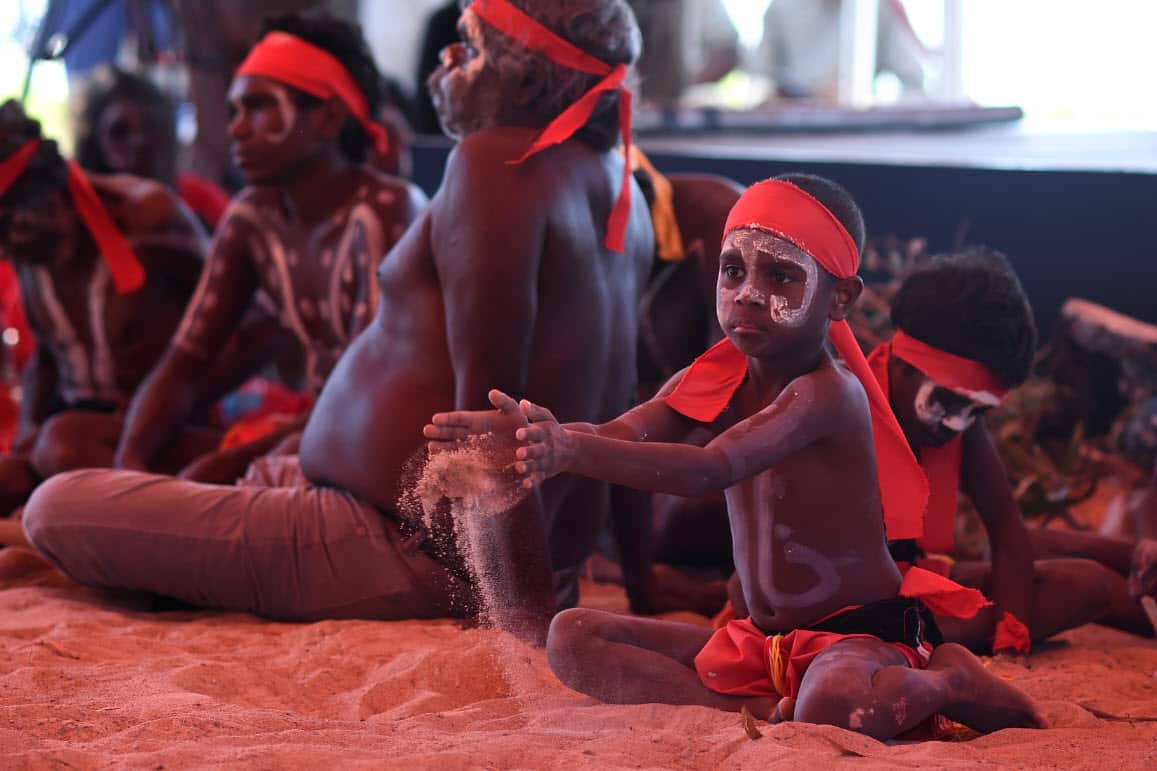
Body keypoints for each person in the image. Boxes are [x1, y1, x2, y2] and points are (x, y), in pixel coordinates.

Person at [22, 0, 652, 638]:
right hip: (449, 540)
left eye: (469, 47)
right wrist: (641, 591)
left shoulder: (493, 163)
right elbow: (629, 415)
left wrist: (521, 621)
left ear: (525, 80)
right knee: (86, 462)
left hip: (400, 541)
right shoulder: (620, 185)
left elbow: (487, 425)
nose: (447, 62)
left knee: (56, 509)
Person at [427, 174, 1047, 738]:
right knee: (572, 636)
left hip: (855, 636)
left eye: (779, 277)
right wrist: (538, 434)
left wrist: (567, 450)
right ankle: (758, 711)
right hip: (759, 643)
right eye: (733, 271)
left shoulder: (827, 393)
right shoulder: (718, 375)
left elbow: (712, 466)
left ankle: (949, 679)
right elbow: (622, 433)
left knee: (835, 705)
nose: (748, 294)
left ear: (839, 299)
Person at [105, 12, 425, 485]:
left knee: (250, 469)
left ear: (329, 118)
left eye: (257, 107)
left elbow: (365, 397)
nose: (235, 129)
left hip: (369, 446)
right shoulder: (252, 217)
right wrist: (128, 467)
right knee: (69, 440)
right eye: (234, 111)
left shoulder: (384, 210)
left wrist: (219, 468)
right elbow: (184, 363)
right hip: (304, 432)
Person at [868, 249, 1146, 645]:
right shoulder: (845, 411)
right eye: (948, 402)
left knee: (1061, 568)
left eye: (976, 410)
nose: (957, 424)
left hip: (921, 581)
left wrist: (1012, 624)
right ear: (902, 365)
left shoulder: (960, 426)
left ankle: (1141, 559)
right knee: (1091, 585)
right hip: (854, 609)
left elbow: (1006, 528)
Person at [0, 100, 212, 532]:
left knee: (61, 447)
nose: (5, 249)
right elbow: (49, 355)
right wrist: (24, 441)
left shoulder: (148, 216)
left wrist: (165, 414)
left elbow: (241, 321)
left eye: (7, 227)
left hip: (166, 433)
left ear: (51, 192)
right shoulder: (28, 241)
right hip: (74, 432)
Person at [74, 67, 231, 232]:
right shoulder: (80, 216)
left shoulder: (200, 199)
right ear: (95, 143)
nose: (138, 141)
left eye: (149, 127)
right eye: (120, 131)